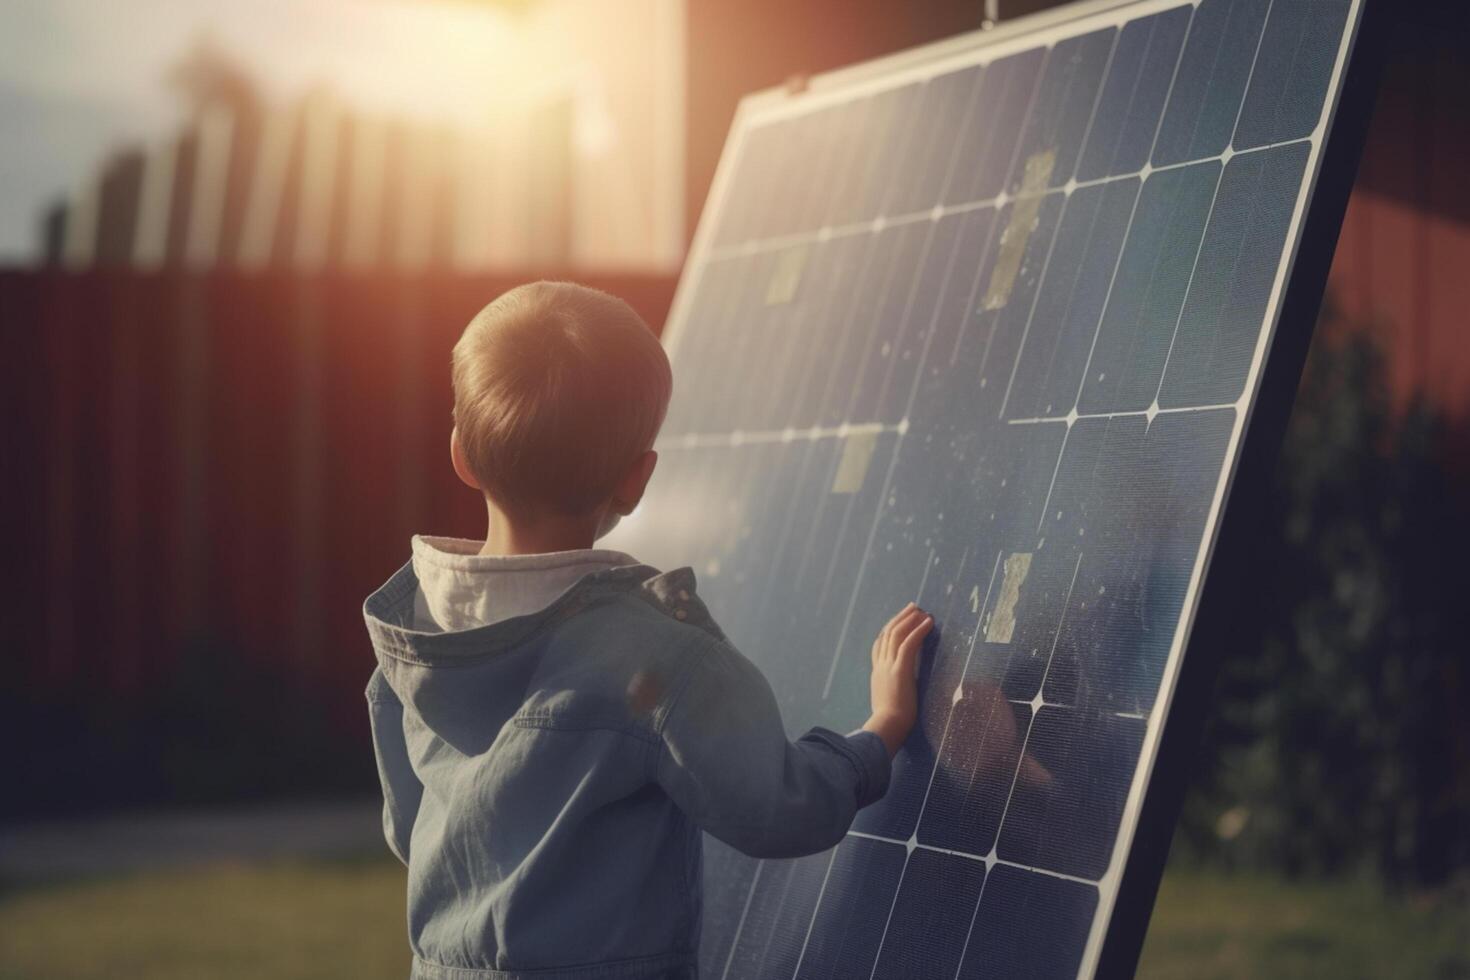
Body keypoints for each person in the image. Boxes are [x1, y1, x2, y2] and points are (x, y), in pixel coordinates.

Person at [363, 281, 932, 980]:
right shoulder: (655, 658)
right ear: (637, 481)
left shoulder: (413, 635)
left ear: (461, 452)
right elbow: (780, 809)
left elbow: (408, 830)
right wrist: (881, 731)